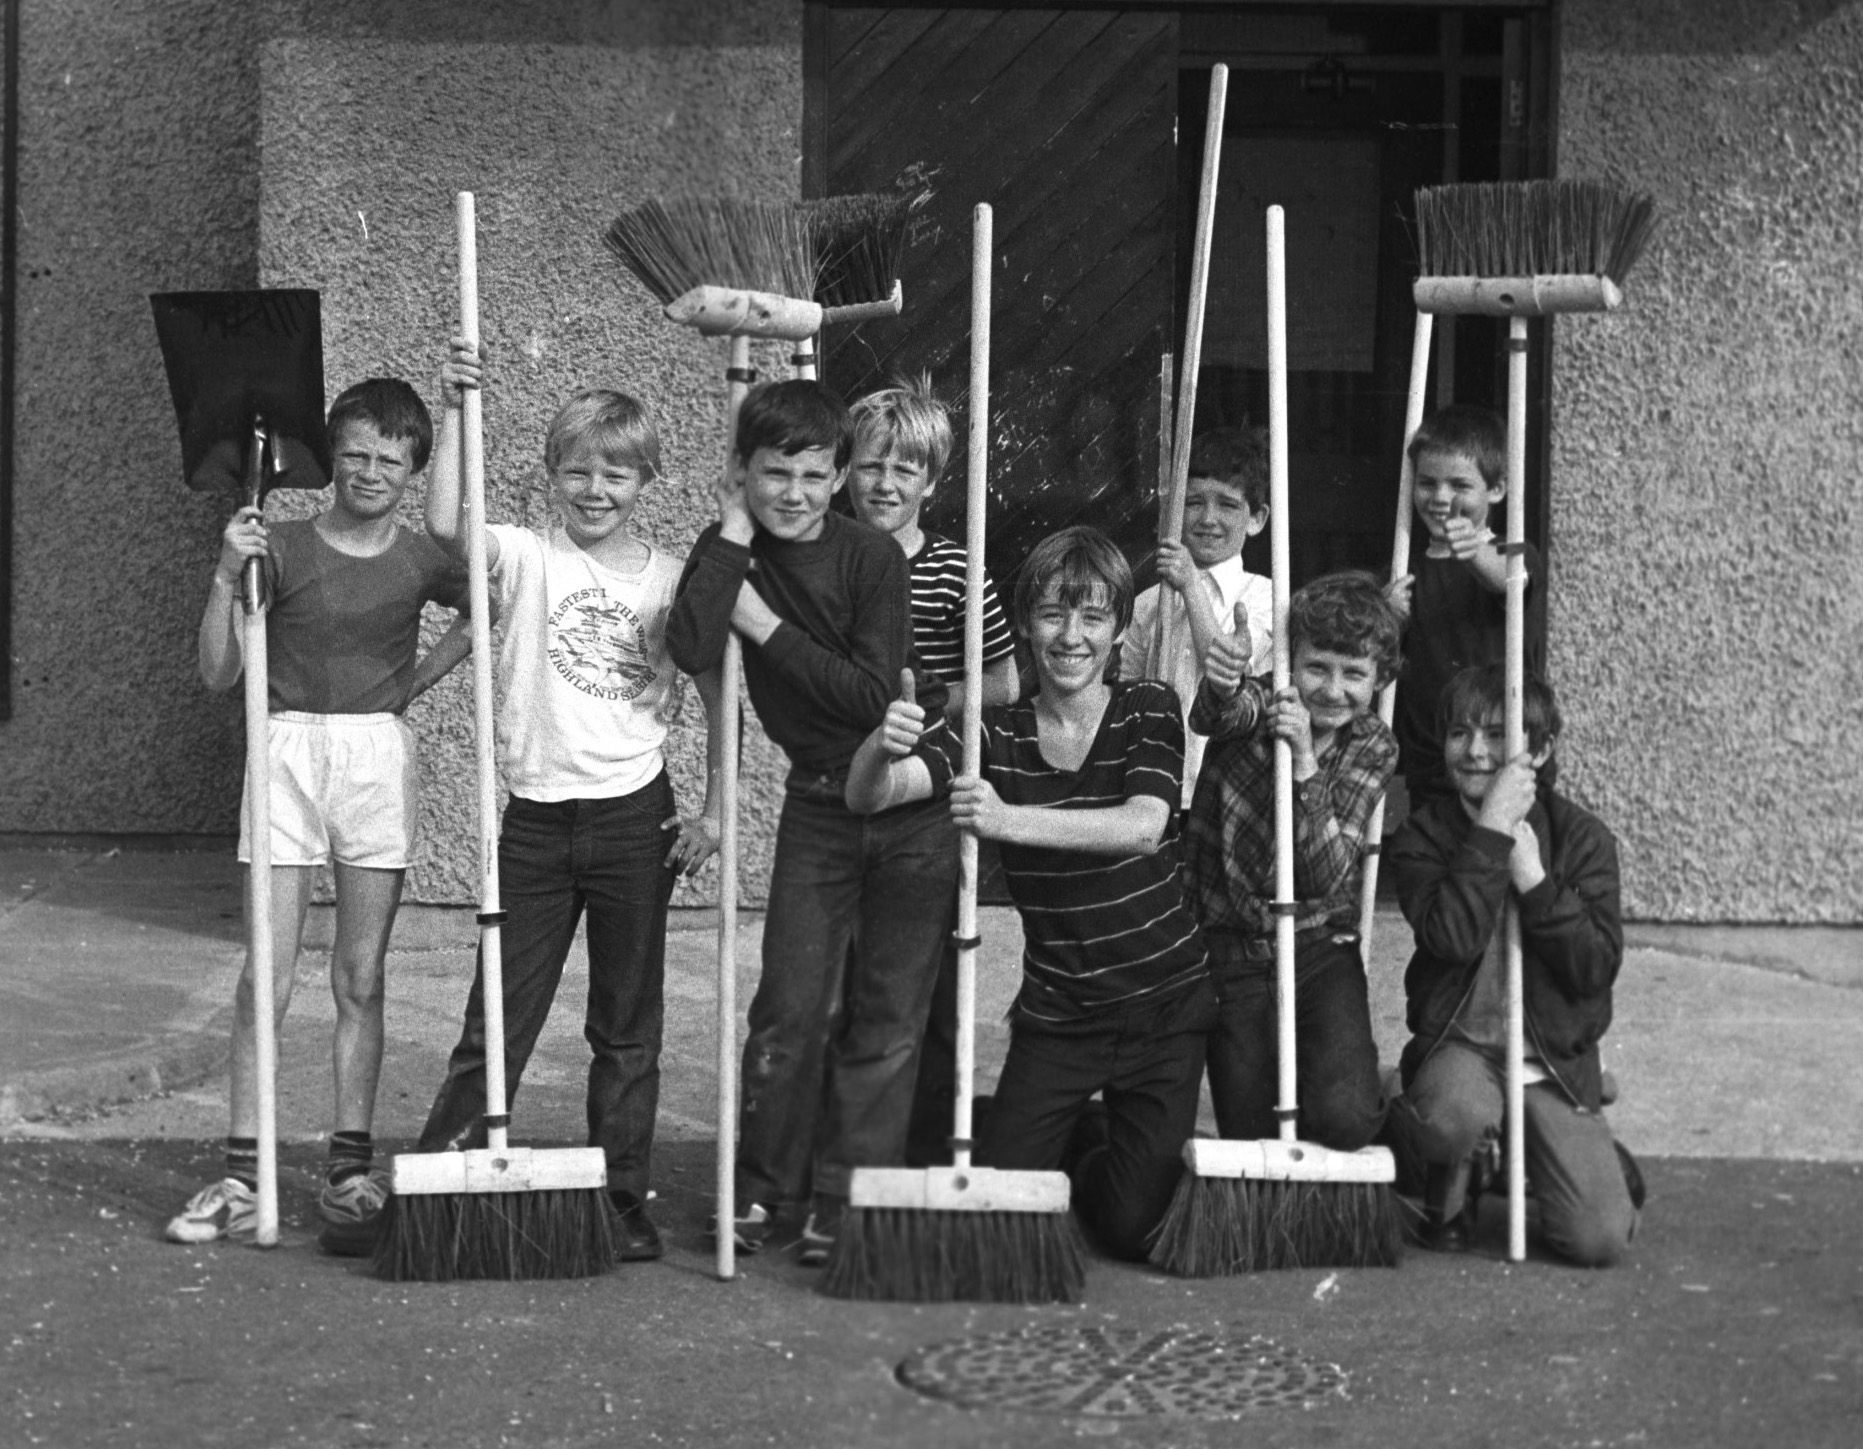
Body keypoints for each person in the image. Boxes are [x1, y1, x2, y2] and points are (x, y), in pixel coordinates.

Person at [412, 338, 724, 1262]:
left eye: (616, 474)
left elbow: (715, 695)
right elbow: (443, 530)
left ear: (645, 482)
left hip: (637, 816)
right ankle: (445, 1167)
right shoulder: (521, 557)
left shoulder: (671, 580)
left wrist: (711, 808)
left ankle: (623, 1193)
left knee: (627, 1025)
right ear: (549, 475)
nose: (595, 490)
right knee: (498, 1012)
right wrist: (457, 406)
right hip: (538, 821)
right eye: (578, 471)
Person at [845, 525, 1214, 1261]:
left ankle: (1099, 1136)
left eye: (1092, 617)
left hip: (1163, 1008)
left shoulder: (1148, 705)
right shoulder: (992, 731)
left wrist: (1006, 817)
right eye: (1051, 614)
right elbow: (873, 797)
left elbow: (1143, 826)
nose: (1070, 636)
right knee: (1004, 1194)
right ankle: (1055, 1120)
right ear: (1024, 624)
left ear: (1116, 630)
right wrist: (878, 746)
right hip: (1062, 1014)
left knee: (1127, 1225)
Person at [166, 379, 472, 1252]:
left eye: (391, 457)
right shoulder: (281, 543)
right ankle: (239, 1172)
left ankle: (346, 1169)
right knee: (267, 972)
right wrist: (227, 572)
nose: (372, 470)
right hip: (287, 749)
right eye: (357, 453)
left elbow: (485, 611)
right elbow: (220, 671)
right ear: (330, 456)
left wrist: (409, 685)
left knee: (361, 977)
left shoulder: (422, 558)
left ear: (414, 468)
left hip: (375, 757)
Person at [666, 378, 952, 1266]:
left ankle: (843, 1197)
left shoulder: (872, 559)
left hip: (911, 804)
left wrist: (763, 624)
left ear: (837, 478)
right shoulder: (728, 552)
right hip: (818, 805)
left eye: (812, 474)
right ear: (740, 473)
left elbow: (873, 696)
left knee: (886, 1015)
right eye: (773, 472)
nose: (793, 491)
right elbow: (685, 646)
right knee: (789, 1009)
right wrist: (732, 545)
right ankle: (761, 1194)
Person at [1385, 665, 1640, 1265]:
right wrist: (1493, 834)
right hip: (1464, 1051)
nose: (1475, 752)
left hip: (1547, 1060)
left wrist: (1537, 881)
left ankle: (1562, 1154)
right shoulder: (1424, 836)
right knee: (1450, 1119)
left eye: (1499, 735)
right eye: (1459, 734)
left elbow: (1594, 969)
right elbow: (1451, 938)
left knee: (1597, 1240)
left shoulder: (1582, 839)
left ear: (1542, 748)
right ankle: (1460, 1160)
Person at [843, 377, 1019, 1168]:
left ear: (931, 483)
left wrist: (930, 703)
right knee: (848, 981)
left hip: (929, 787)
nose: (884, 483)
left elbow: (1009, 682)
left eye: (903, 471)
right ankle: (837, 1146)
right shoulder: (826, 556)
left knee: (932, 979)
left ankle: (924, 1144)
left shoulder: (952, 566)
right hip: (845, 787)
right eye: (871, 465)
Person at [1183, 570, 1400, 1151]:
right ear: (1291, 662)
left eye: (1354, 674)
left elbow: (1323, 875)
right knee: (1252, 1134)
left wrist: (1304, 761)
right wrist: (1225, 683)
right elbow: (1215, 716)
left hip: (1317, 948)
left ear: (1380, 679)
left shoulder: (1373, 744)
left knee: (1346, 1120)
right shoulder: (1265, 702)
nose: (1332, 689)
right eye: (1317, 668)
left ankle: (1381, 1097)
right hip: (1232, 948)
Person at [1387, 405, 1546, 808]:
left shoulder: (1512, 551)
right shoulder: (1406, 566)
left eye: (1459, 485)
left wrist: (1473, 551)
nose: (1440, 498)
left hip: (1501, 755)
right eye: (1427, 483)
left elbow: (1508, 580)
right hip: (1431, 762)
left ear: (1495, 490)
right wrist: (1386, 616)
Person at [1121, 427, 1273, 810]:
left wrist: (1189, 583)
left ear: (1256, 519)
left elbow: (1224, 672)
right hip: (1153, 790)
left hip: (1231, 796)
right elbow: (1127, 693)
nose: (1208, 518)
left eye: (1227, 504)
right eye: (1193, 502)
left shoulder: (1266, 596)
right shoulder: (1148, 603)